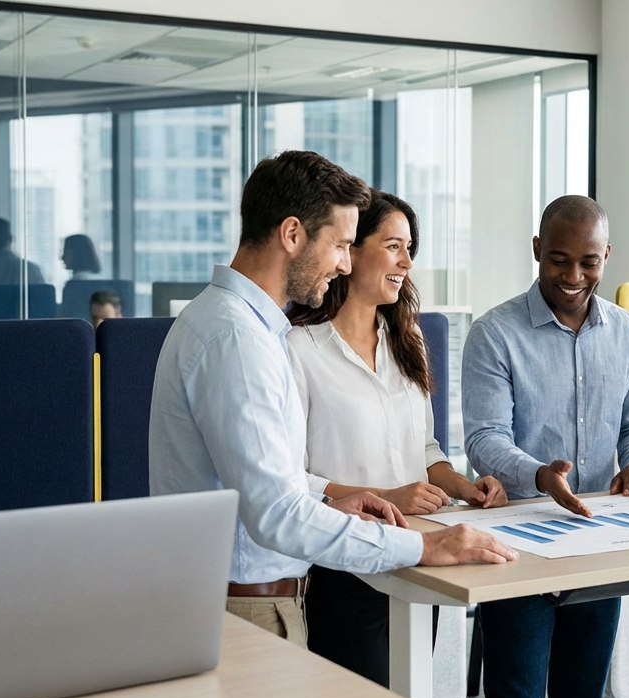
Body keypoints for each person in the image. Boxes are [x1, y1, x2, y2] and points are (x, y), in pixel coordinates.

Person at [149, 149, 516, 671]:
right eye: (341, 244)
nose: (344, 262)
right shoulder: (238, 340)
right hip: (245, 606)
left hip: (246, 597)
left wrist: (334, 501)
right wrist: (418, 548)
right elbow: (276, 514)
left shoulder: (239, 327)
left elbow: (269, 482)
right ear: (293, 234)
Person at [287, 190, 508, 698]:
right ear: (351, 253)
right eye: (392, 246)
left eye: (410, 249)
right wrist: (386, 497)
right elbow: (292, 476)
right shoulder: (298, 349)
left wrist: (461, 485)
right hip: (345, 564)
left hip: (417, 559)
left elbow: (425, 447)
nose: (407, 263)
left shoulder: (406, 342)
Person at [462, 194, 629, 698]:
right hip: (518, 550)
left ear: (607, 256)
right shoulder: (494, 333)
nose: (574, 276)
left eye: (589, 261)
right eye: (558, 259)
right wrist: (539, 475)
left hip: (600, 547)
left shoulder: (626, 331)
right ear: (535, 251)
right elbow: (484, 439)